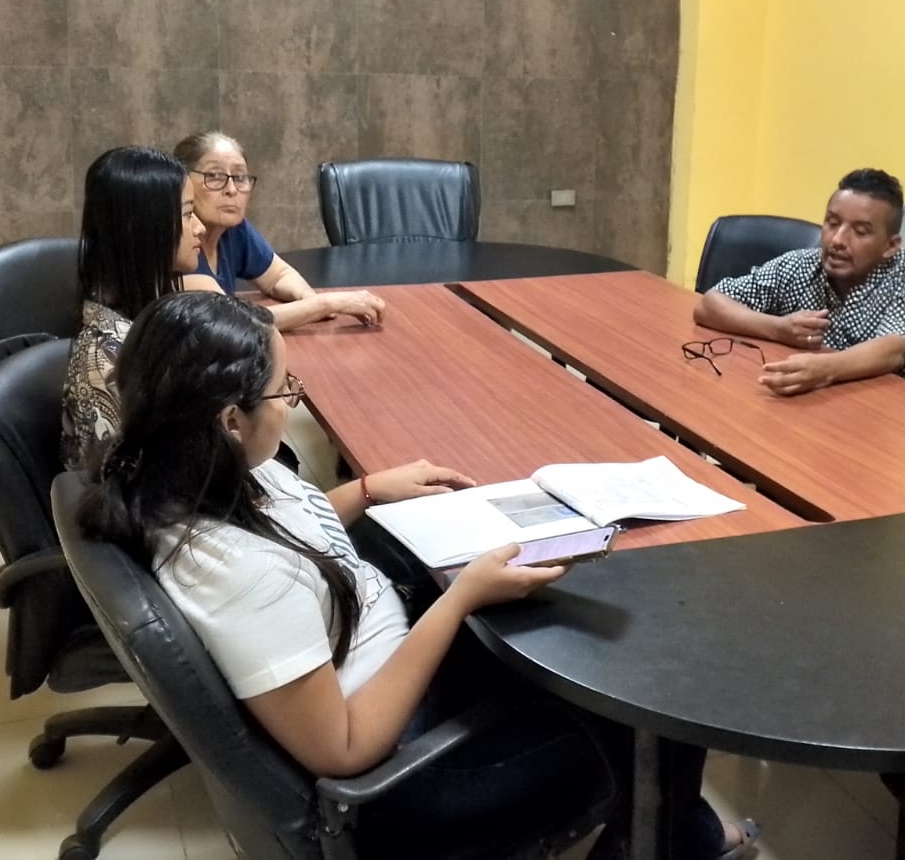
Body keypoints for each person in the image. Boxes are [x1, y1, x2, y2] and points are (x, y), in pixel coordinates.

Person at [77, 292, 759, 859]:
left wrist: (368, 489)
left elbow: (293, 527)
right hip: (415, 773)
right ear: (231, 419)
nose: (293, 402)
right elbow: (344, 749)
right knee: (657, 704)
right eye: (285, 389)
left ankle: (676, 831)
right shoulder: (241, 575)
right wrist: (458, 600)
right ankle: (671, 840)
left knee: (577, 624)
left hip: (381, 654)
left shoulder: (190, 474)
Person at [692, 168, 905, 395]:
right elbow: (709, 304)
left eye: (860, 231)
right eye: (832, 223)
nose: (837, 240)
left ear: (890, 246)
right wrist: (778, 328)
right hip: (819, 399)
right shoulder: (801, 265)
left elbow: (892, 351)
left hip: (898, 410)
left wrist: (824, 369)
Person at [61, 146, 214, 469]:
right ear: (144, 228)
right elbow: (129, 487)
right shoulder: (107, 367)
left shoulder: (154, 316)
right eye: (188, 214)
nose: (200, 227)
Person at [174, 130, 386, 330]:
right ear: (183, 182)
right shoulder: (178, 245)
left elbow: (278, 276)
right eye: (214, 176)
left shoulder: (234, 231)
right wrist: (325, 304)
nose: (231, 189)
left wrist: (308, 301)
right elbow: (231, 322)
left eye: (239, 178)